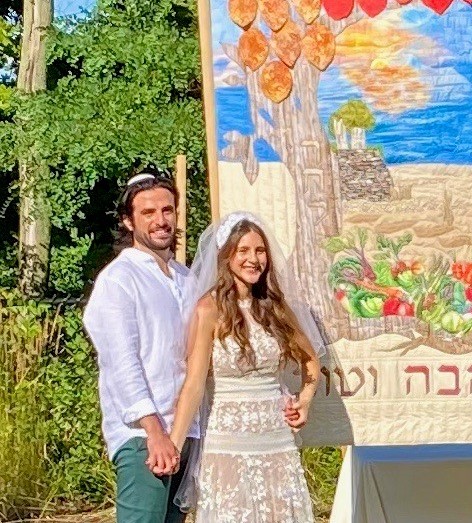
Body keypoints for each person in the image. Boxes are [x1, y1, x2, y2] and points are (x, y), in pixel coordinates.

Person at [169, 212, 320, 521]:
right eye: (244, 251)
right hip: (227, 440)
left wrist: (304, 402)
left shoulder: (275, 308)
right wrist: (174, 443)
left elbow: (310, 360)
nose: (254, 259)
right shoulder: (208, 309)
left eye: (260, 251)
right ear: (227, 256)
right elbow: (195, 383)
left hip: (275, 438)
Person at [83, 173, 199, 523]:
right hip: (143, 436)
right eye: (148, 212)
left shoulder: (186, 278)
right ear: (127, 220)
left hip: (186, 432)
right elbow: (122, 364)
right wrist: (154, 431)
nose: (160, 220)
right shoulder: (119, 280)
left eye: (167, 210)